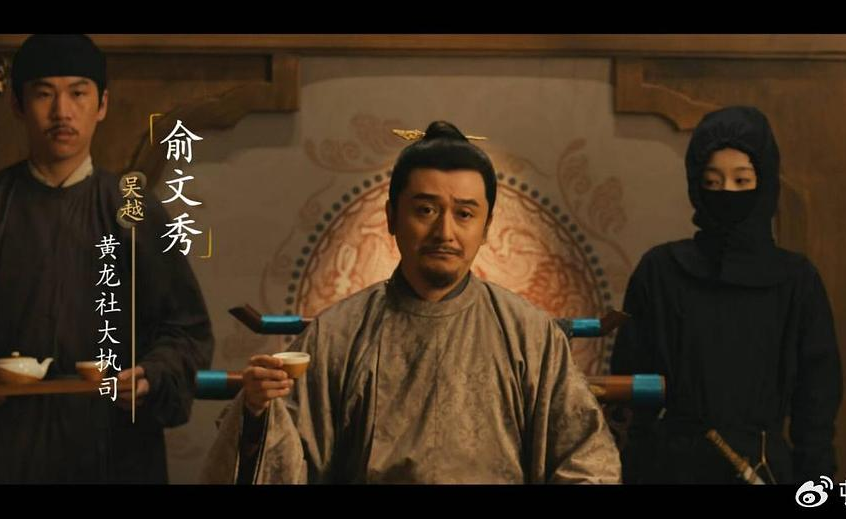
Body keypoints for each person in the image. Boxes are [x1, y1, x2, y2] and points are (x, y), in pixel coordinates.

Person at [201, 121, 620, 484]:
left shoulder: (529, 334)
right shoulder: (337, 334)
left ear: (487, 226)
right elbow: (282, 456)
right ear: (391, 217)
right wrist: (256, 411)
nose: (444, 232)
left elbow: (586, 458)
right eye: (425, 210)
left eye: (464, 214)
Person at [0, 34, 213, 483]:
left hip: (116, 450)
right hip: (7, 451)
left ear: (102, 105)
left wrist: (153, 374)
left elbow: (186, 329)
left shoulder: (135, 209)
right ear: (17, 104)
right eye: (44, 93)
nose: (62, 111)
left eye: (78, 93)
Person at [610, 106, 842, 484]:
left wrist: (816, 486)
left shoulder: (796, 280)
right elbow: (632, 391)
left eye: (742, 180)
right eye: (713, 182)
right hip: (671, 471)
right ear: (696, 184)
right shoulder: (661, 271)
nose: (727, 193)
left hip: (763, 470)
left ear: (764, 182)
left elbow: (816, 405)